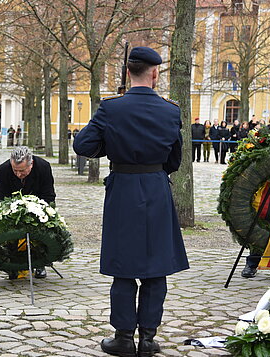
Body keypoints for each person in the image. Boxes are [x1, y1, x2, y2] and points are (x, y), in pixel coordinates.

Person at [73, 46, 188, 357]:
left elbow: (83, 145)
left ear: (127, 73)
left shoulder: (111, 108)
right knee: (156, 267)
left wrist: (109, 145)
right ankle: (148, 339)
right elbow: (174, 161)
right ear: (154, 74)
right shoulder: (171, 111)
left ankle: (123, 338)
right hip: (156, 188)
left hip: (123, 188)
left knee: (123, 266)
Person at [0, 146, 55, 279]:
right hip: (12, 208)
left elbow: (49, 195)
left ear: (31, 164)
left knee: (43, 226)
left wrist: (38, 210)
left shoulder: (43, 167)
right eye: (15, 170)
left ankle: (40, 262)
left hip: (38, 207)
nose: (18, 174)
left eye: (22, 171)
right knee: (7, 228)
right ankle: (13, 263)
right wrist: (4, 213)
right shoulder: (4, 169)